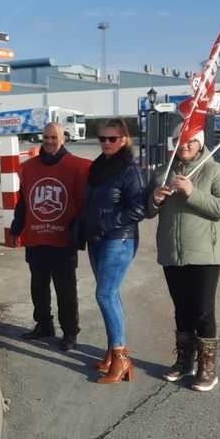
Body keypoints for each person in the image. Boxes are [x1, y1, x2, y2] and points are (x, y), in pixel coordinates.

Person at [148, 125, 220, 391]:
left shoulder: (215, 170)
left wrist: (193, 193)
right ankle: (185, 361)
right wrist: (155, 200)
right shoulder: (164, 172)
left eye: (190, 141)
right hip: (172, 252)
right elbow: (148, 211)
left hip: (205, 252)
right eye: (179, 141)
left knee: (203, 310)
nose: (184, 146)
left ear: (199, 142)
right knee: (181, 309)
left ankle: (208, 369)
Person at [10, 123, 91, 350]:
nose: (49, 141)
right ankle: (43, 325)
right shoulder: (29, 168)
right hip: (36, 238)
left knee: (66, 289)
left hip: (63, 241)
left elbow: (90, 198)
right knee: (38, 286)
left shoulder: (77, 166)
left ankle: (70, 332)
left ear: (63, 138)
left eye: (54, 137)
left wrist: (83, 227)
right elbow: (23, 202)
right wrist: (16, 229)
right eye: (45, 137)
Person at [83, 118, 147, 383]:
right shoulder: (98, 167)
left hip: (119, 239)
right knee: (110, 294)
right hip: (96, 238)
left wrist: (107, 222)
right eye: (102, 139)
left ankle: (121, 358)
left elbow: (138, 209)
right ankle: (113, 351)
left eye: (112, 138)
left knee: (105, 294)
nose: (107, 143)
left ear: (124, 140)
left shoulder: (130, 170)